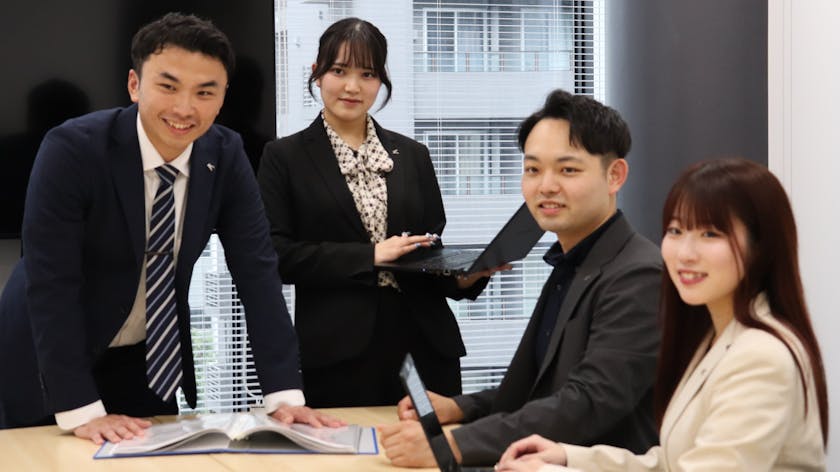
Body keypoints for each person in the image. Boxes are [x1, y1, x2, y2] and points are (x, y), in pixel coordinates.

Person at [0, 12, 339, 443]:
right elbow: (52, 282)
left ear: (222, 98)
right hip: (50, 358)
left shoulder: (226, 154)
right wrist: (81, 409)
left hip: (142, 359)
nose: (184, 108)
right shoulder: (73, 149)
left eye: (205, 92)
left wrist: (284, 395)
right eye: (168, 86)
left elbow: (257, 272)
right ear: (134, 85)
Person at [380, 89, 661, 467]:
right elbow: (540, 388)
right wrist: (459, 407)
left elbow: (587, 403)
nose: (546, 186)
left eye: (568, 170)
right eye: (533, 169)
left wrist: (450, 445)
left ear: (615, 176)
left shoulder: (639, 275)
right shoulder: (573, 263)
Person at [497, 158, 828, 471]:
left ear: (761, 247)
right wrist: (568, 457)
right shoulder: (716, 338)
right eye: (676, 231)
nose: (685, 253)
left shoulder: (760, 356)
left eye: (710, 234)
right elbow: (672, 462)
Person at [257, 17, 495, 408]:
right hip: (338, 355)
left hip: (424, 350)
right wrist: (370, 256)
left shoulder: (413, 155)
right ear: (317, 73)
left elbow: (427, 252)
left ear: (381, 79)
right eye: (339, 71)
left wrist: (465, 278)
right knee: (346, 445)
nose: (353, 86)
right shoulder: (283, 157)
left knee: (428, 441)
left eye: (367, 74)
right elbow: (278, 256)